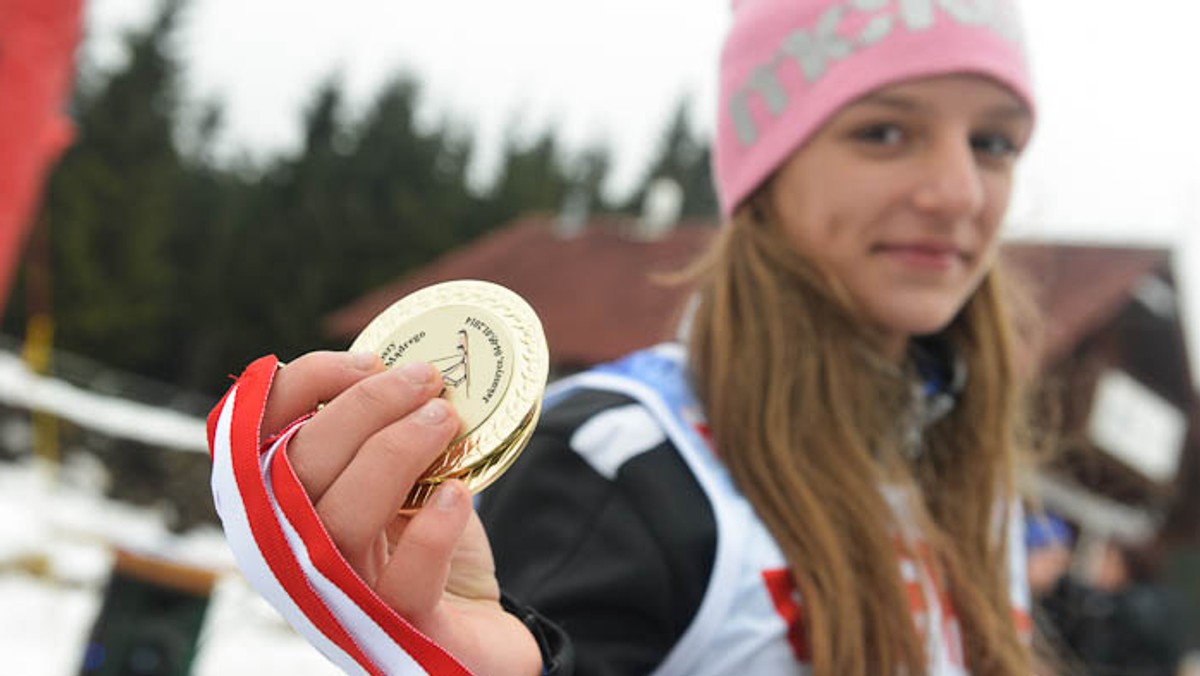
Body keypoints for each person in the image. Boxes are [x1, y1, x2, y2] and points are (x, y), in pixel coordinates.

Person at [207, 1, 1044, 674]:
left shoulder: (974, 482)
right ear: (767, 168)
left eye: (994, 142)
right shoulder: (625, 458)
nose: (958, 191)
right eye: (885, 131)